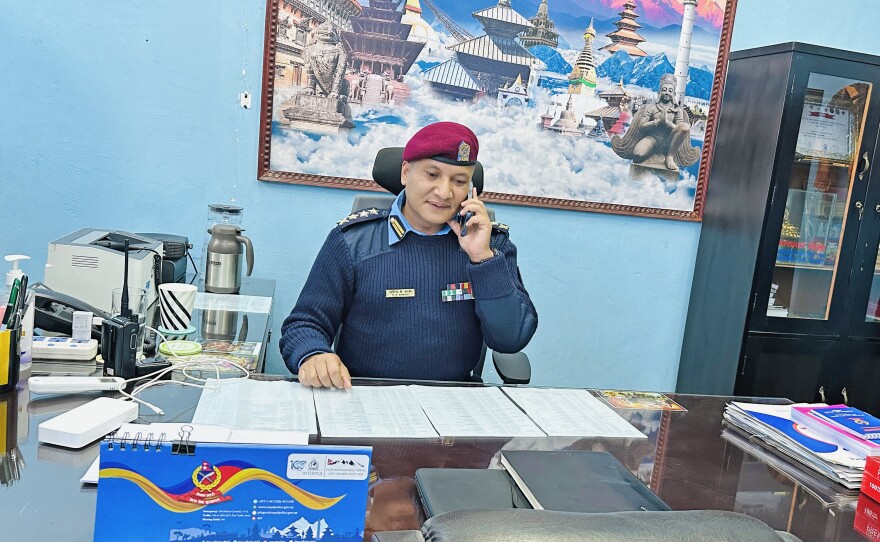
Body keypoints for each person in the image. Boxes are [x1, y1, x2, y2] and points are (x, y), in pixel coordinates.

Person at [280, 121, 538, 388]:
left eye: (459, 181)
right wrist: (314, 354)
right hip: (362, 395)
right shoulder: (353, 242)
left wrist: (482, 259)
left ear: (470, 189)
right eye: (432, 175)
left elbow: (511, 339)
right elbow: (304, 324)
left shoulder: (492, 246)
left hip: (454, 400)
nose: (444, 192)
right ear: (405, 173)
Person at [611, 73, 699, 170]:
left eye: (670, 91)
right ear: (659, 92)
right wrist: (657, 122)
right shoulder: (651, 107)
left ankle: (669, 157)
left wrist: (667, 123)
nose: (667, 93)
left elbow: (680, 130)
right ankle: (651, 154)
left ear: (674, 94)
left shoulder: (677, 111)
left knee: (685, 127)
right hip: (652, 139)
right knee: (638, 155)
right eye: (664, 90)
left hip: (668, 141)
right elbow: (641, 126)